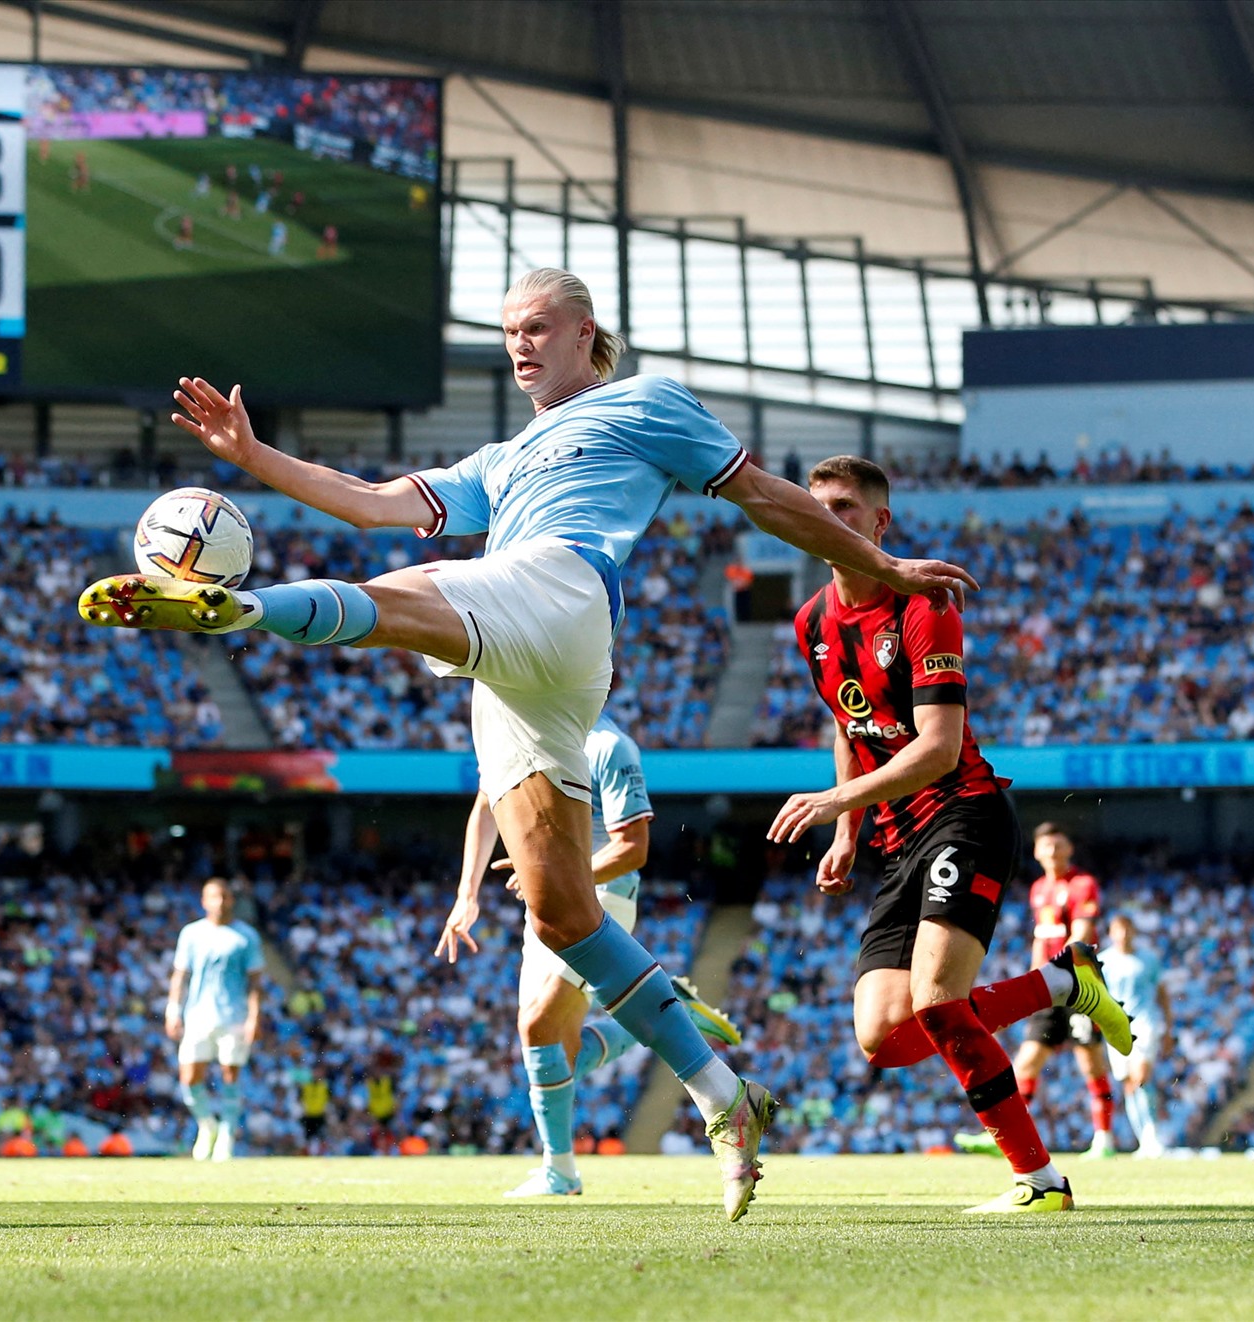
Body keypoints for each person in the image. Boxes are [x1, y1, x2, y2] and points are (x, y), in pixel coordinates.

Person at [79, 266, 979, 1220]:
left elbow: (764, 496)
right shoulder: (499, 460)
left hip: (562, 588)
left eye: (538, 328)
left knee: (407, 596)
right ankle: (726, 1097)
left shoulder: (646, 402)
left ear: (586, 334)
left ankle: (241, 608)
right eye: (510, 331)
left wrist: (880, 565)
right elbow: (369, 500)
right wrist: (254, 457)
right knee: (559, 911)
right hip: (518, 670)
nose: (520, 344)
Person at [765, 456, 1131, 1214]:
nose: (828, 518)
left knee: (937, 1001)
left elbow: (935, 746)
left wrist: (835, 800)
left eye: (845, 506)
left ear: (879, 522)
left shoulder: (924, 605)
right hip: (897, 838)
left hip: (963, 814)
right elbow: (849, 720)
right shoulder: (811, 623)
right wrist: (850, 830)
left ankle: (1039, 1180)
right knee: (884, 1037)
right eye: (817, 505)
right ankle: (1061, 983)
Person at [436, 707, 741, 1197]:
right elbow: (486, 806)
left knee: (537, 1026)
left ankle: (560, 1172)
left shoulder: (610, 747)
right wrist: (466, 894)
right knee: (558, 1049)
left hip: (603, 900)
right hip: (547, 898)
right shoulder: (520, 731)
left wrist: (556, 878)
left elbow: (632, 848)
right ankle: (670, 1007)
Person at [957, 823, 1120, 1158]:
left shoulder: (1082, 884)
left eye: (1058, 844)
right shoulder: (1038, 890)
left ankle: (1104, 1138)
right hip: (1048, 987)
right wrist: (1033, 983)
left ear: (1069, 848)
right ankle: (1002, 1136)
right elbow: (1041, 939)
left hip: (1077, 986)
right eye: (1045, 845)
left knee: (1090, 1062)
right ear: (1036, 851)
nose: (1051, 851)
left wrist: (1060, 974)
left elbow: (1081, 935)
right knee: (1026, 1062)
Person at [166, 877, 264, 1162]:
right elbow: (180, 975)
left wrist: (254, 1017)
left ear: (231, 900)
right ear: (204, 901)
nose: (220, 902)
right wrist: (173, 1009)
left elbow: (255, 983)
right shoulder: (191, 933)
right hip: (197, 1014)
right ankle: (206, 1124)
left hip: (233, 1015)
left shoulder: (245, 936)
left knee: (230, 1075)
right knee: (189, 1076)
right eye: (214, 897)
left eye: (224, 897)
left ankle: (227, 1135)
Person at [1101, 913, 1172, 1157]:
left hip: (1144, 1023)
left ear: (1133, 931)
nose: (1122, 934)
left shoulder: (1148, 959)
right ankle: (1145, 1140)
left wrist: (1168, 1028)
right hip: (1115, 1027)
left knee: (1141, 1076)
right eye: (1117, 929)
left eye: (1126, 929)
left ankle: (1152, 1133)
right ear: (1111, 933)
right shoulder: (1103, 962)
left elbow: (1162, 994)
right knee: (1129, 1084)